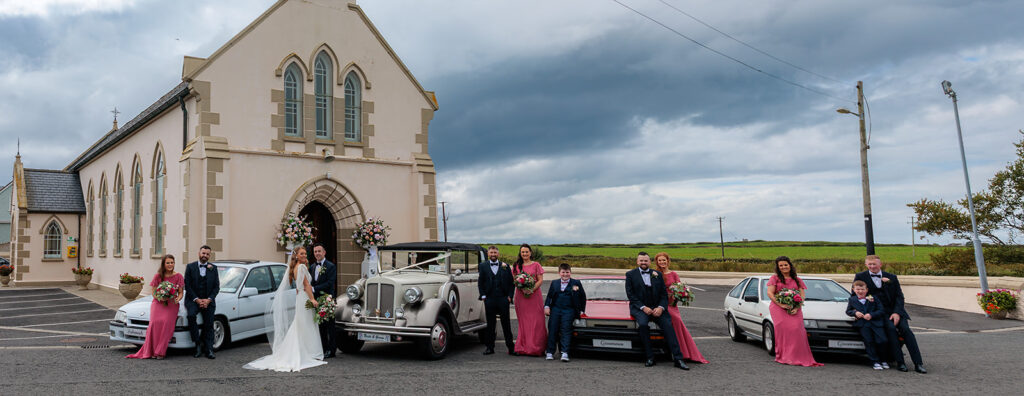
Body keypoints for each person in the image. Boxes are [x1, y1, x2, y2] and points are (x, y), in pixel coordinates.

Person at [244, 247, 327, 372]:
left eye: (305, 253)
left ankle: (303, 350)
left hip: (300, 298)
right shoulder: (302, 267)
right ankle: (309, 352)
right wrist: (312, 299)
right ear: (297, 256)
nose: (305, 255)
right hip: (305, 298)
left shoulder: (294, 268)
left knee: (301, 324)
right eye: (302, 253)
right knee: (307, 324)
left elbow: (298, 288)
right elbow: (306, 285)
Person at [853, 255, 926, 373]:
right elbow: (856, 296)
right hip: (879, 313)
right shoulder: (860, 276)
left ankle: (918, 363)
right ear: (866, 265)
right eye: (869, 264)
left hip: (895, 311)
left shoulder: (892, 277)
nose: (872, 266)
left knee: (906, 331)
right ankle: (900, 362)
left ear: (880, 264)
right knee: (891, 331)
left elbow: (899, 297)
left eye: (874, 264)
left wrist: (897, 312)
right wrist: (858, 311)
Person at [624, 252, 688, 370]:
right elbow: (631, 295)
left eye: (646, 261)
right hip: (640, 309)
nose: (643, 263)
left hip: (657, 307)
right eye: (641, 261)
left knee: (669, 326)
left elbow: (663, 294)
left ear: (649, 262)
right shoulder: (630, 275)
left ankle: (678, 359)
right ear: (637, 262)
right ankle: (650, 357)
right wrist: (644, 307)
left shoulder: (657, 274)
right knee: (643, 325)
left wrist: (661, 307)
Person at [765, 256, 823, 367]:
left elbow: (802, 296)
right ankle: (784, 356)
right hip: (778, 308)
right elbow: (770, 293)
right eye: (781, 265)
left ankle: (797, 356)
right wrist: (781, 304)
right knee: (784, 331)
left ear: (790, 265)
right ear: (778, 267)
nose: (783, 267)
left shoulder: (797, 280)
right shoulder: (775, 278)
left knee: (797, 330)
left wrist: (797, 307)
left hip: (795, 308)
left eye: (785, 265)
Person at [654, 252, 708, 364]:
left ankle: (685, 352)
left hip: (672, 305)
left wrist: (681, 294)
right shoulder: (655, 274)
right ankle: (678, 351)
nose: (662, 262)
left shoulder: (673, 274)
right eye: (660, 260)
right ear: (657, 262)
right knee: (673, 323)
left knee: (678, 322)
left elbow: (679, 287)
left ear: (668, 261)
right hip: (661, 305)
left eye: (664, 260)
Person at [126, 254, 183, 359]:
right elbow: (153, 292)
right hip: (158, 303)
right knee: (154, 324)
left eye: (172, 262)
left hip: (171, 304)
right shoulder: (158, 276)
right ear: (163, 264)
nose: (170, 265)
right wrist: (160, 298)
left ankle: (160, 352)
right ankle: (151, 351)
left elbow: (180, 293)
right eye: (168, 263)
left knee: (166, 325)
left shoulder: (178, 276)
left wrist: (177, 299)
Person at [543, 263, 586, 362]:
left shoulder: (576, 283)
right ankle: (550, 352)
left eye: (567, 272)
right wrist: (547, 306)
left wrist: (582, 310)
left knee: (566, 330)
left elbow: (582, 297)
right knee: (553, 329)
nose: (565, 274)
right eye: (563, 272)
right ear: (559, 273)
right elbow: (549, 296)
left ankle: (565, 352)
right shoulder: (554, 283)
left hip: (569, 310)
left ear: (570, 272)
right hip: (556, 309)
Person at [478, 245, 515, 355]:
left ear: (498, 254)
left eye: (495, 253)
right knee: (490, 324)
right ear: (488, 254)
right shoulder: (483, 266)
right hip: (489, 299)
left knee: (506, 324)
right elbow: (481, 282)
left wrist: (509, 296)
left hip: (503, 298)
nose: (493, 254)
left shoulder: (505, 266)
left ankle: (511, 348)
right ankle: (490, 347)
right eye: (491, 253)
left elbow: (511, 283)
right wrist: (483, 295)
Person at [184, 245, 219, 359]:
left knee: (209, 323)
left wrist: (208, 299)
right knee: (191, 316)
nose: (205, 256)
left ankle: (209, 349)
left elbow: (216, 287)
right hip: (193, 300)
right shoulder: (190, 267)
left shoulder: (213, 268)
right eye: (203, 253)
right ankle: (197, 344)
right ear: (199, 253)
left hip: (208, 300)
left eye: (207, 254)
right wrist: (197, 300)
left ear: (210, 255)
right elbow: (187, 286)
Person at [511, 243, 546, 356]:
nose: (525, 254)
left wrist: (531, 289)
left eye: (527, 252)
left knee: (537, 321)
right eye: (523, 252)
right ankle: (523, 346)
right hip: (521, 297)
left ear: (530, 253)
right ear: (520, 253)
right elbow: (515, 281)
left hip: (534, 297)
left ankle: (537, 347)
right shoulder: (516, 265)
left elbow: (540, 280)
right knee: (524, 322)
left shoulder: (536, 265)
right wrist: (523, 290)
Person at [847, 280, 889, 370]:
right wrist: (855, 312)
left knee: (882, 341)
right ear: (854, 290)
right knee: (869, 342)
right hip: (863, 324)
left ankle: (884, 360)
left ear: (866, 290)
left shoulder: (873, 298)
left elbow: (881, 310)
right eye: (858, 289)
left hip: (876, 323)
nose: (860, 291)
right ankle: (875, 361)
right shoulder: (852, 299)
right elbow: (848, 311)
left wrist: (871, 315)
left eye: (862, 289)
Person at [310, 243, 337, 358]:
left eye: (319, 251)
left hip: (327, 299)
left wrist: (314, 288)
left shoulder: (330, 266)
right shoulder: (312, 267)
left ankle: (332, 350)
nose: (317, 253)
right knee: (320, 326)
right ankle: (323, 348)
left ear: (324, 252)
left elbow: (330, 283)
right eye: (315, 251)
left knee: (330, 326)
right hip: (316, 300)